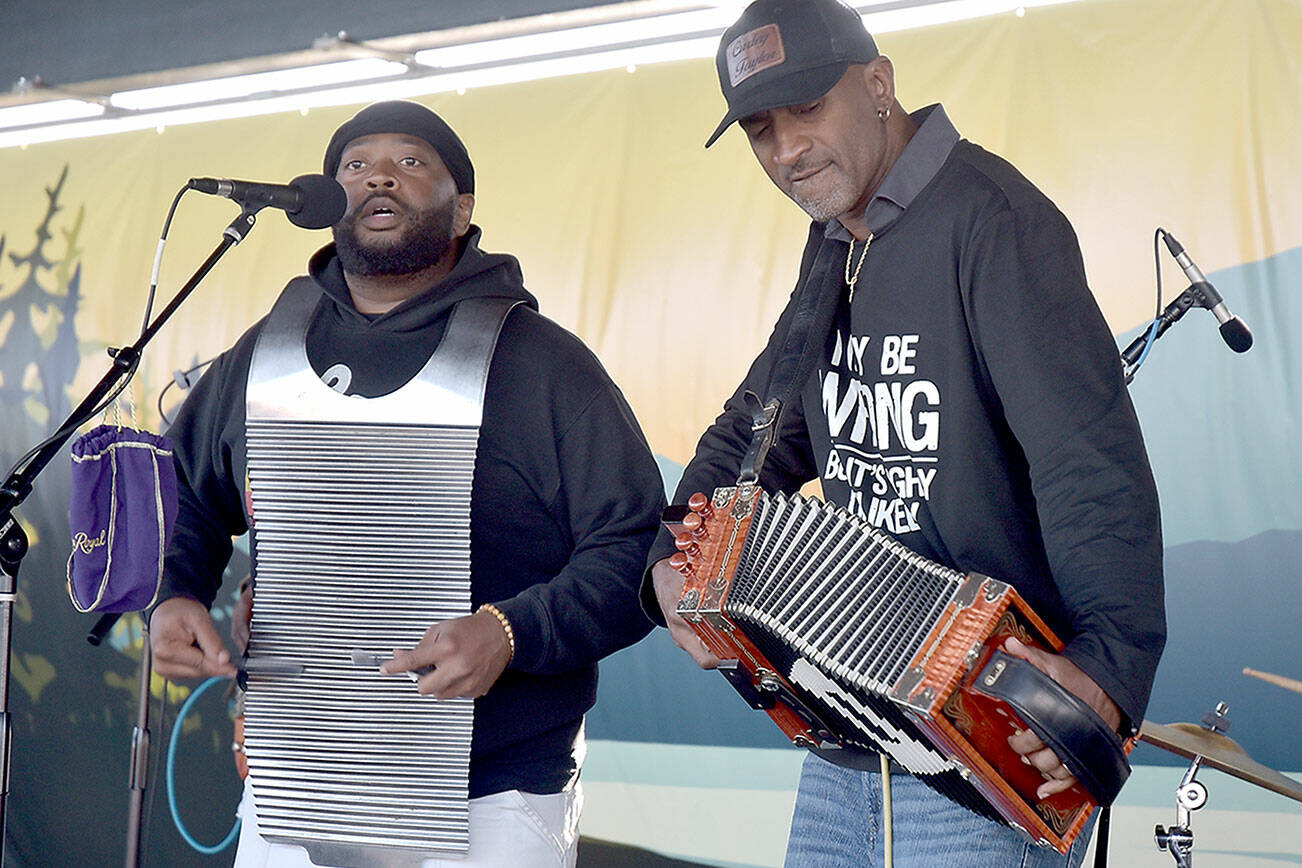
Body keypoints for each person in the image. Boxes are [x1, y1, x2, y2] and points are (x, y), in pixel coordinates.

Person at [644, 2, 1165, 866]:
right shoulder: (837, 238)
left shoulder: (994, 219)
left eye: (806, 109)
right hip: (851, 731)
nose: (787, 149)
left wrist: (1109, 667)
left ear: (879, 85)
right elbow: (762, 424)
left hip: (984, 740)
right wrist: (676, 551)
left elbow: (1089, 464)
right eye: (761, 130)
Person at [149, 100, 664, 867]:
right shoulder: (266, 353)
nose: (378, 176)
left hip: (490, 796)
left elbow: (636, 548)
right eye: (355, 165)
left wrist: (510, 632)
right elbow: (181, 491)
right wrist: (175, 593)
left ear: (463, 209)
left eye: (410, 161)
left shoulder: (541, 363)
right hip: (293, 784)